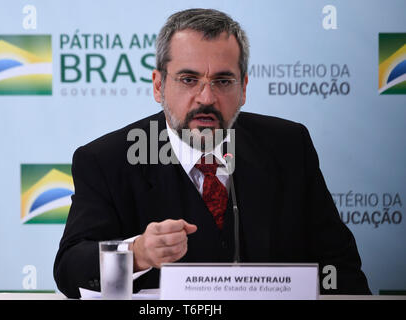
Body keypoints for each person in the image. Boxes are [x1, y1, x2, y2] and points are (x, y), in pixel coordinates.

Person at [54, 8, 371, 299]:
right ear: (158, 85)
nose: (206, 98)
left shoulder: (288, 146)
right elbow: (69, 268)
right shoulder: (108, 160)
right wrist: (136, 254)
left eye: (223, 80)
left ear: (243, 88)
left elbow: (338, 267)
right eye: (188, 79)